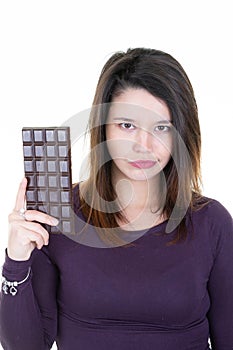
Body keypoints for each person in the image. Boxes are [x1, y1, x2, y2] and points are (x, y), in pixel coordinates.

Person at [0, 48, 232, 350]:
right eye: (127, 125)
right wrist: (16, 261)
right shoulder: (58, 215)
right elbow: (26, 346)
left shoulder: (211, 224)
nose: (143, 145)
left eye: (161, 127)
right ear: (103, 128)